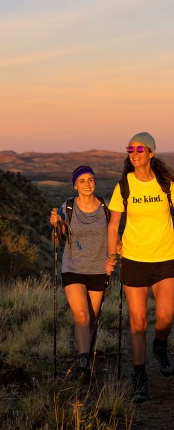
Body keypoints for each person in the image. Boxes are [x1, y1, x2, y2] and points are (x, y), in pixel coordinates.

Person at [105, 131, 174, 403]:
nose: (134, 153)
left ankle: (159, 345)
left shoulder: (166, 184)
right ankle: (139, 376)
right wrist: (112, 255)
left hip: (166, 257)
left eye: (140, 149)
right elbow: (113, 226)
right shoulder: (124, 186)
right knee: (137, 322)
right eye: (130, 149)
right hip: (134, 259)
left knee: (166, 316)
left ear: (151, 154)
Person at [50, 165, 117, 374]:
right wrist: (56, 225)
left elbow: (115, 237)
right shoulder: (67, 207)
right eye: (82, 181)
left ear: (95, 182)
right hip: (73, 268)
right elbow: (56, 241)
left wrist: (115, 256)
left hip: (98, 270)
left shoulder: (107, 207)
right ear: (75, 185)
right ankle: (83, 362)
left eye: (90, 180)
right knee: (81, 315)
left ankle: (86, 359)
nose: (87, 184)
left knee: (92, 318)